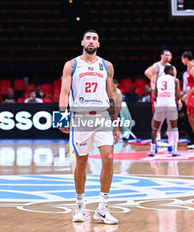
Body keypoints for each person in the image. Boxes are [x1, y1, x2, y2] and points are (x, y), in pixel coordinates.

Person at [59, 29, 119, 224]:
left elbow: (110, 95)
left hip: (102, 116)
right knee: (81, 162)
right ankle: (79, 205)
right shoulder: (71, 64)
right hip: (80, 118)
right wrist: (62, 117)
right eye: (88, 38)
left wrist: (115, 122)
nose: (91, 41)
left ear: (98, 44)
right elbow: (64, 92)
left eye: (94, 39)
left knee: (108, 158)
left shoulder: (106, 65)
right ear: (82, 42)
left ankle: (103, 207)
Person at [144, 49, 179, 150]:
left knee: (165, 121)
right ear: (162, 56)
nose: (168, 57)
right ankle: (161, 141)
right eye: (166, 55)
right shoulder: (157, 66)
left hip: (164, 96)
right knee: (165, 122)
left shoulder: (172, 68)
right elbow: (147, 72)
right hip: (161, 95)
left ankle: (168, 143)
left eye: (170, 55)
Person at [149, 65, 180, 157]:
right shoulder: (175, 80)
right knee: (174, 127)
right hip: (170, 103)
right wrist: (176, 103)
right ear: (170, 71)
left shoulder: (159, 79)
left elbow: (155, 95)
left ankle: (152, 150)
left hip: (160, 104)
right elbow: (177, 95)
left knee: (155, 128)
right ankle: (174, 150)